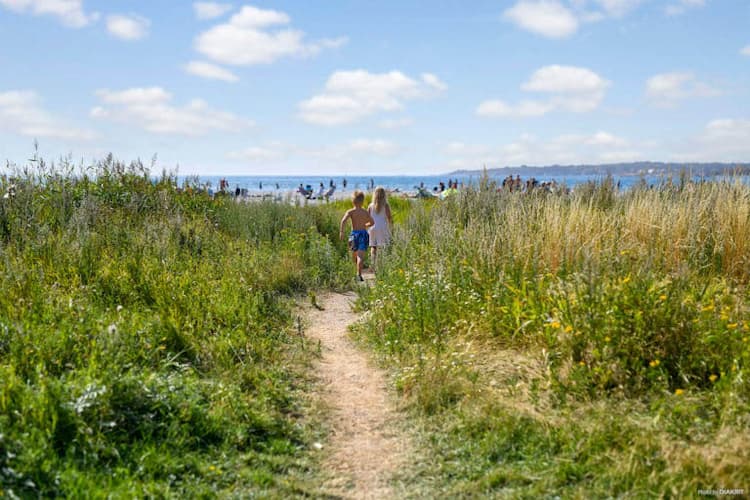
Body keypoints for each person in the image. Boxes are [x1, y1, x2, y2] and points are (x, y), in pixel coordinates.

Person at [339, 190, 374, 281]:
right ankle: (359, 274)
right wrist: (365, 225)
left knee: (354, 255)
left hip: (353, 235)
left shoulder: (350, 211)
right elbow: (372, 222)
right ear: (362, 201)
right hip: (363, 234)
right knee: (360, 256)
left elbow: (343, 221)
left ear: (352, 201)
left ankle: (356, 272)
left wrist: (341, 232)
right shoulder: (365, 212)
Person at [367, 186, 392, 268]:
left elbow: (367, 217)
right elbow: (389, 218)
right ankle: (381, 265)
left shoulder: (370, 205)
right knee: (382, 247)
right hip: (382, 228)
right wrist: (391, 228)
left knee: (373, 247)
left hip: (372, 228)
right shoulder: (385, 205)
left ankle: (372, 264)